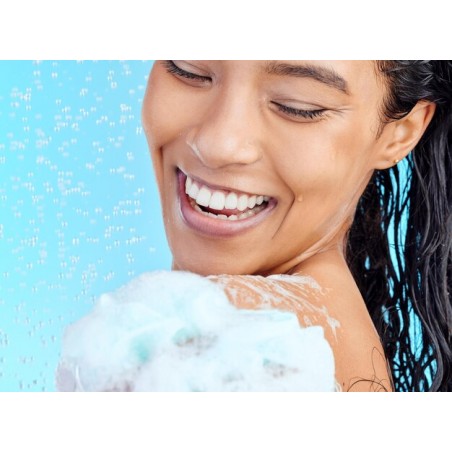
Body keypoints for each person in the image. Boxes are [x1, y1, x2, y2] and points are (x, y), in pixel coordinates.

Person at [141, 60, 452, 392]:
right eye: (187, 69)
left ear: (400, 135)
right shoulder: (321, 340)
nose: (217, 145)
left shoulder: (230, 341)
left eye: (298, 107)